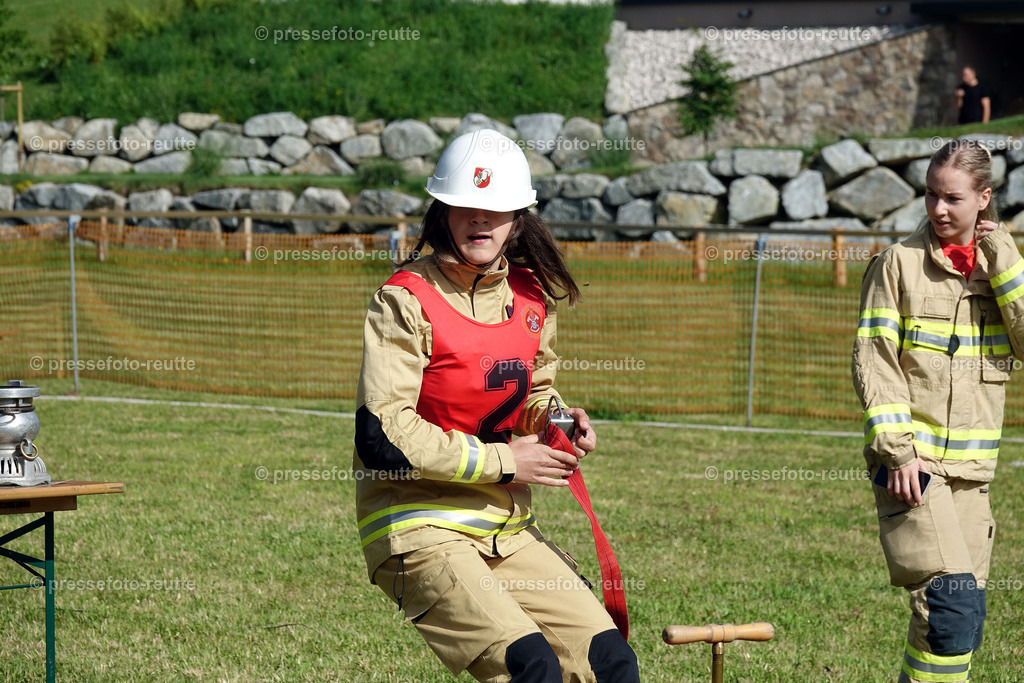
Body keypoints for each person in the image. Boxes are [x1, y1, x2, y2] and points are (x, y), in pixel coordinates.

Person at [353, 128, 640, 683]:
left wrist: (561, 424)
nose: (480, 218)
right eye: (465, 205)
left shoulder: (532, 298)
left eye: (496, 208)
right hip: (416, 526)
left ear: (519, 218)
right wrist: (510, 462)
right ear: (443, 211)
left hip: (505, 528)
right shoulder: (404, 299)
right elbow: (383, 438)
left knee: (610, 663)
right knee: (532, 667)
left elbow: (532, 393)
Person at [852, 138, 1021, 683]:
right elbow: (875, 363)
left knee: (960, 624)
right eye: (930, 195)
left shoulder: (1002, 269)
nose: (938, 210)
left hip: (972, 477)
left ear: (984, 199)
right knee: (950, 606)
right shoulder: (895, 264)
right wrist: (898, 454)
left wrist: (1006, 264)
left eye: (952, 198)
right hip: (912, 468)